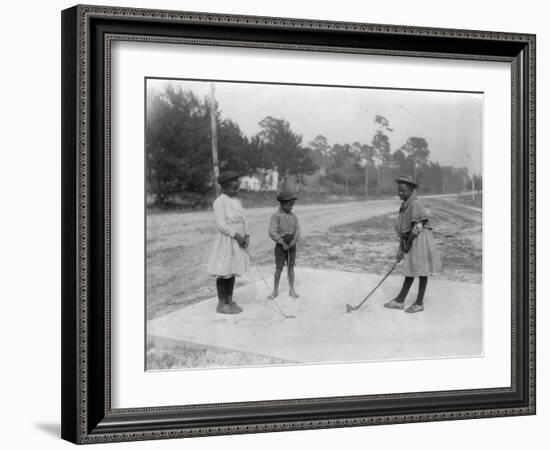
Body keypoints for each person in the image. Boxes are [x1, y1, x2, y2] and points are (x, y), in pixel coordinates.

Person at [384, 174, 441, 313]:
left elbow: (418, 227)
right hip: (411, 238)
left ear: (411, 191)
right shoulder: (404, 206)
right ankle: (400, 300)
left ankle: (419, 303)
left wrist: (407, 244)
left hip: (420, 239)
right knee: (409, 269)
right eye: (399, 190)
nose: (400, 193)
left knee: (422, 270)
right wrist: (401, 248)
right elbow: (404, 230)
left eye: (403, 191)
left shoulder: (415, 204)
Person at [206, 170, 250, 314]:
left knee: (232, 271)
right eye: (233, 188)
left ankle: (229, 299)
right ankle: (221, 302)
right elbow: (221, 225)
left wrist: (247, 235)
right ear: (223, 188)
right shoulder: (219, 202)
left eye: (237, 188)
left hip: (238, 242)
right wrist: (236, 235)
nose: (236, 191)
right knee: (224, 271)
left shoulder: (237, 201)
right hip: (227, 241)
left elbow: (244, 219)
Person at [267, 190, 301, 300]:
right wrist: (281, 242)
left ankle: (292, 289)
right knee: (279, 268)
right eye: (289, 205)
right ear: (282, 203)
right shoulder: (276, 216)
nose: (291, 208)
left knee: (291, 267)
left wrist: (293, 241)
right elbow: (272, 232)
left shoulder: (294, 217)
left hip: (292, 245)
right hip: (281, 245)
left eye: (292, 206)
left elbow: (298, 230)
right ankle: (275, 290)